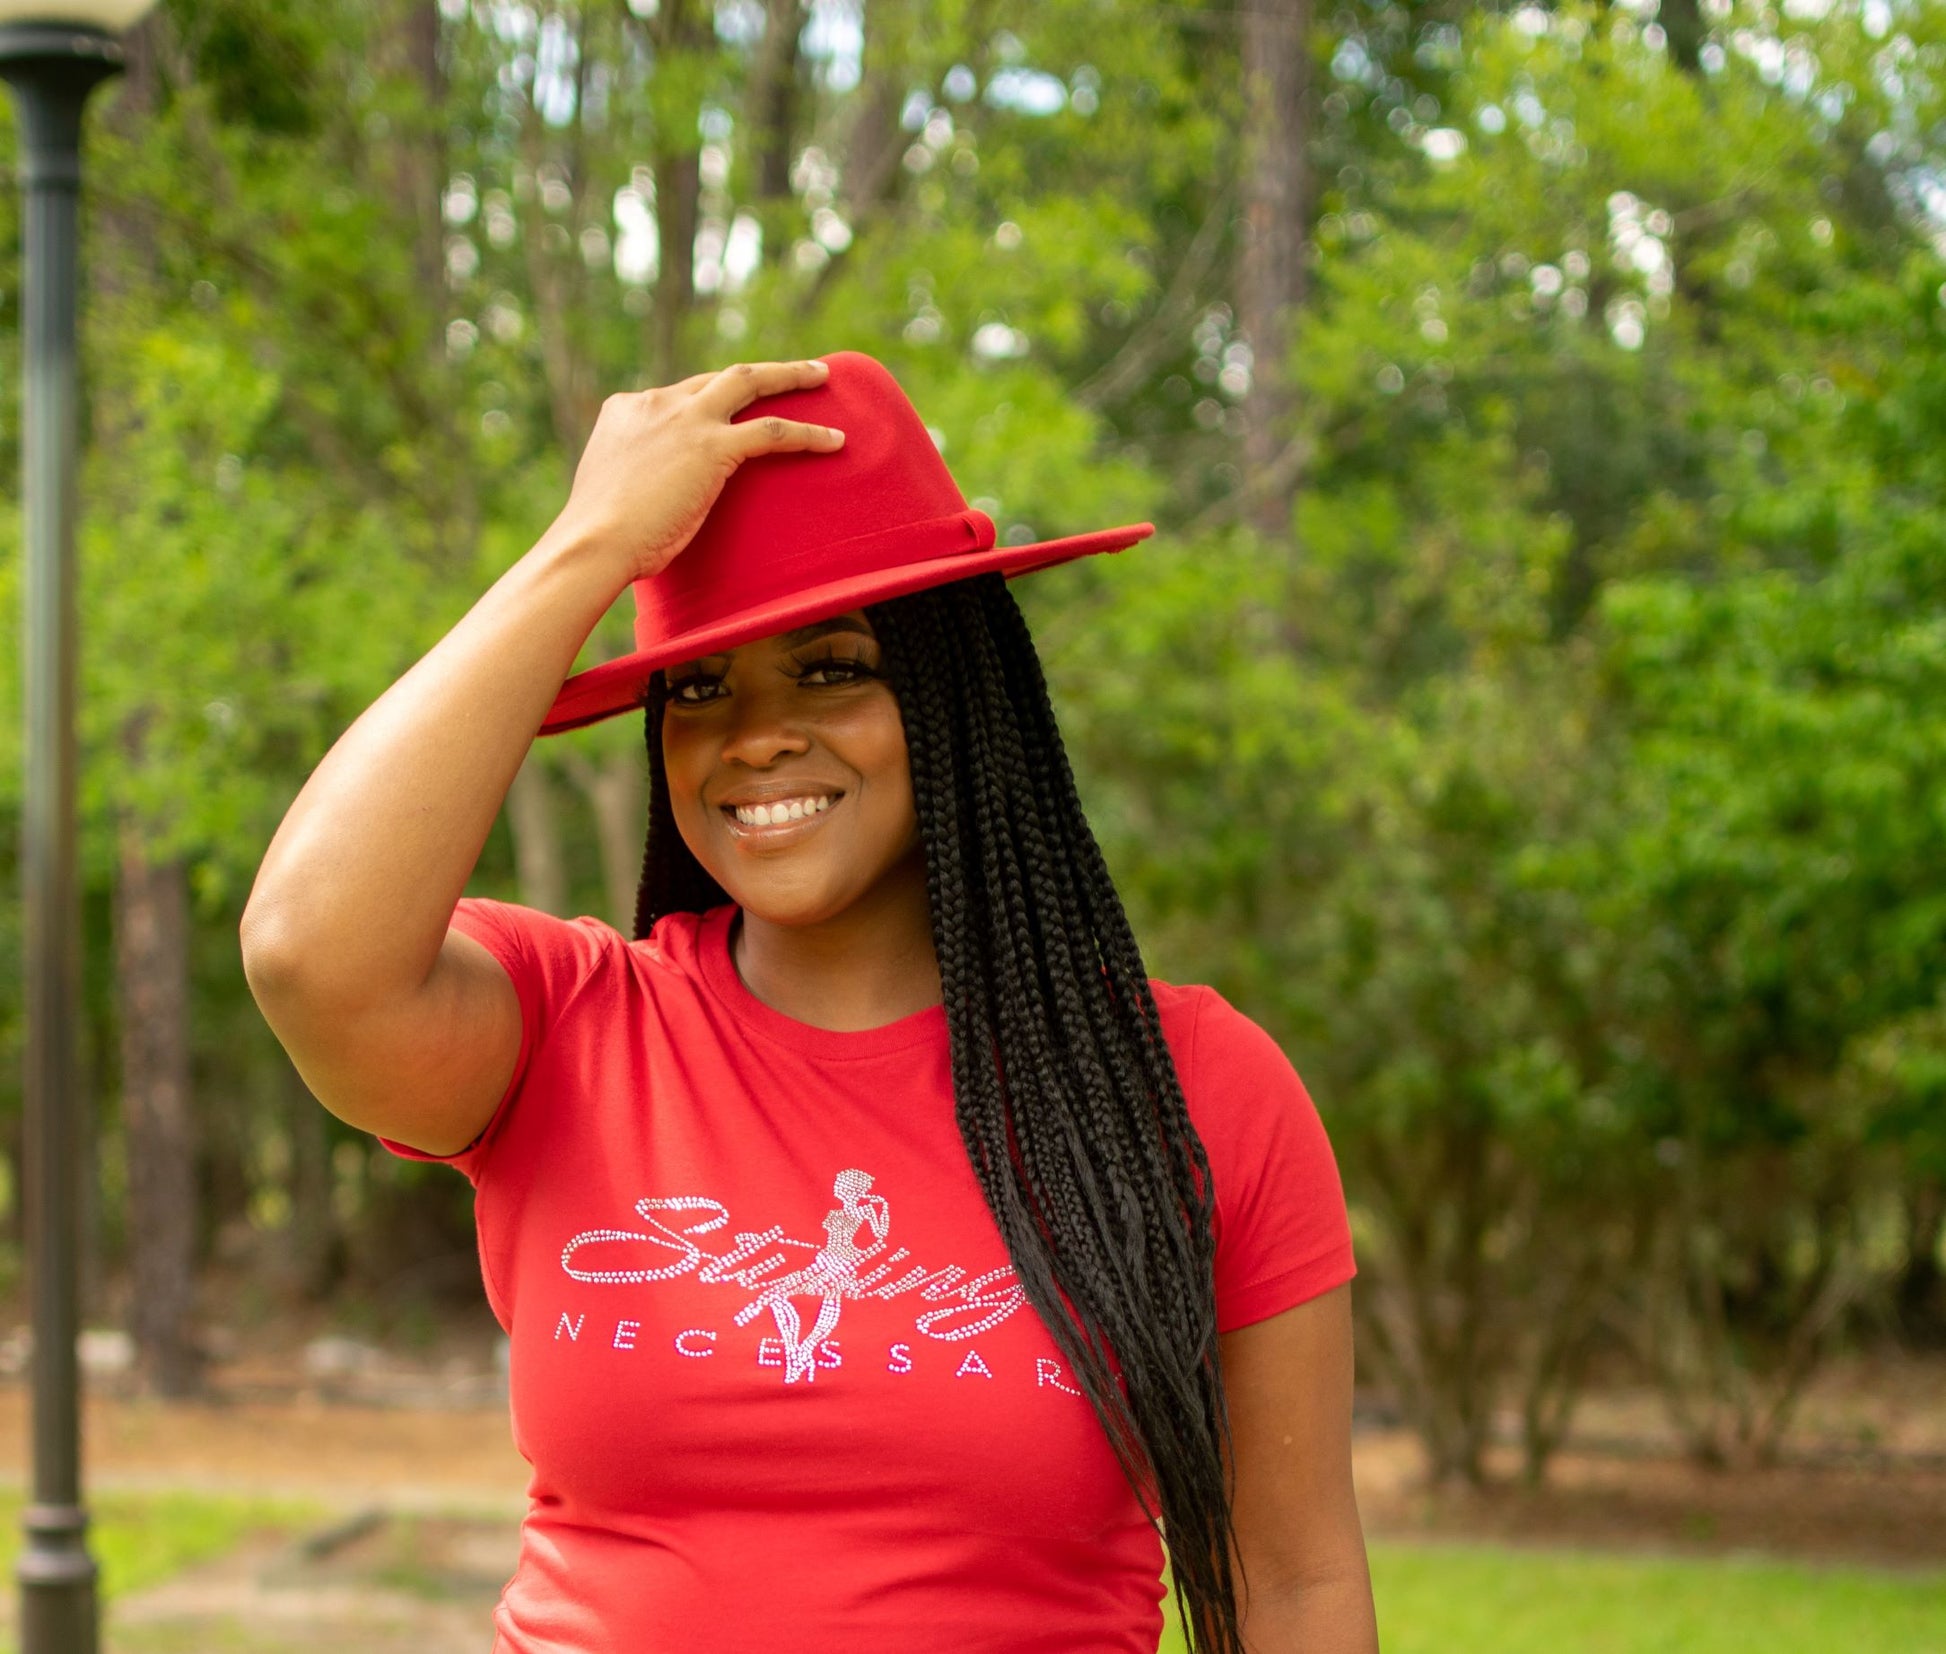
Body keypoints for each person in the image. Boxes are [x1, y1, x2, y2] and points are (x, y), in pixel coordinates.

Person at [240, 351, 1379, 1654]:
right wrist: (589, 544)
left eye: (832, 667)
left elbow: (1290, 1581)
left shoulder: (1186, 1083)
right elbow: (302, 952)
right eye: (702, 688)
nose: (756, 735)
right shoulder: (569, 1032)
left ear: (954, 699)